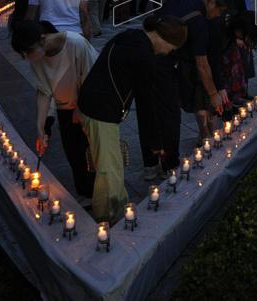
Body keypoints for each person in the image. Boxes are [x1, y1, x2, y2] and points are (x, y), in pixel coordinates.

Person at [77, 15, 187, 224]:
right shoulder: (143, 56)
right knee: (109, 168)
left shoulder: (131, 36)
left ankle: (115, 208)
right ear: (162, 37)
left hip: (92, 103)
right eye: (171, 47)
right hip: (101, 110)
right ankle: (111, 217)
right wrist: (155, 143)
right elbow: (146, 104)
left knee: (111, 164)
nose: (168, 52)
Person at [11, 20, 97, 202]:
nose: (27, 57)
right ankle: (85, 193)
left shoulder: (76, 44)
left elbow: (92, 80)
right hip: (65, 107)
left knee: (92, 152)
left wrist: (81, 110)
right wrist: (41, 126)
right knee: (74, 154)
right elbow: (44, 91)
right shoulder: (39, 57)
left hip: (91, 105)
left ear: (42, 39)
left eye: (28, 51)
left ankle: (100, 192)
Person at [157, 0, 235, 149]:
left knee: (154, 112)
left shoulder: (177, 0)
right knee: (170, 114)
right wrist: (214, 94)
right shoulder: (199, 22)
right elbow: (202, 64)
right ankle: (169, 161)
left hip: (149, 56)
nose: (218, 15)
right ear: (212, 3)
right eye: (220, 11)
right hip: (164, 65)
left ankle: (154, 160)